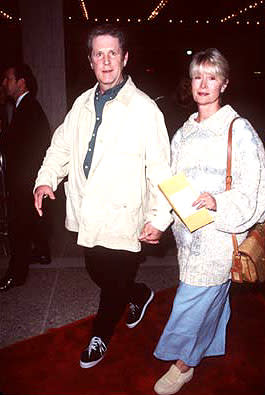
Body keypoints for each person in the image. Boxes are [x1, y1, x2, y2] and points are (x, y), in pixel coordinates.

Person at [33, 24, 172, 368]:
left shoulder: (144, 110)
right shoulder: (81, 104)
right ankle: (139, 293)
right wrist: (45, 179)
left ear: (125, 58)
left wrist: (160, 217)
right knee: (98, 272)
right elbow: (60, 147)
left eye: (113, 53)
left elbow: (161, 167)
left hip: (125, 214)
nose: (106, 61)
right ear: (91, 60)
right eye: (99, 53)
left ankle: (100, 335)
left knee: (113, 283)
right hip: (87, 212)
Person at [153, 48, 265, 395]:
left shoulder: (238, 130)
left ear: (224, 83)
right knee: (211, 297)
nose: (203, 84)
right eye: (197, 76)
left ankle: (183, 364)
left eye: (211, 76)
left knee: (191, 300)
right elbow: (169, 179)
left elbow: (256, 186)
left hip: (219, 235)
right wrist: (157, 219)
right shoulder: (184, 132)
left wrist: (219, 201)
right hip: (187, 237)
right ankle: (208, 347)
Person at [0, 63, 51, 292]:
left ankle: (16, 274)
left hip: (23, 181)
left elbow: (28, 148)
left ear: (21, 83)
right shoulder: (27, 107)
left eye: (8, 79)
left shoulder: (28, 108)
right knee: (30, 223)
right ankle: (42, 252)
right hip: (26, 179)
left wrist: (23, 184)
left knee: (18, 227)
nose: (4, 83)